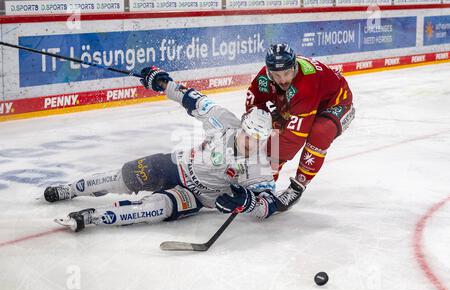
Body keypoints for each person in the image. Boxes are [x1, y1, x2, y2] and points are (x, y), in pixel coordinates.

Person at [44, 66, 285, 232]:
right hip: (175, 165)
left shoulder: (261, 165)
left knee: (154, 209)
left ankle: (90, 218)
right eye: (247, 133)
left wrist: (247, 202)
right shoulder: (223, 119)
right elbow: (191, 99)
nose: (249, 141)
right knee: (123, 177)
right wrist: (163, 83)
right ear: (241, 124)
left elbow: (270, 205)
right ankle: (71, 189)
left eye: (257, 138)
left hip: (197, 197)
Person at [245, 43, 355, 209]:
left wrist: (265, 173)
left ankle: (297, 187)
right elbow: (253, 106)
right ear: (268, 71)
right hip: (305, 104)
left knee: (319, 132)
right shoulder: (263, 77)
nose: (282, 80)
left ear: (294, 66)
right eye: (277, 75)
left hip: (336, 105)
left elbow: (293, 139)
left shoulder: (306, 85)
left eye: (287, 73)